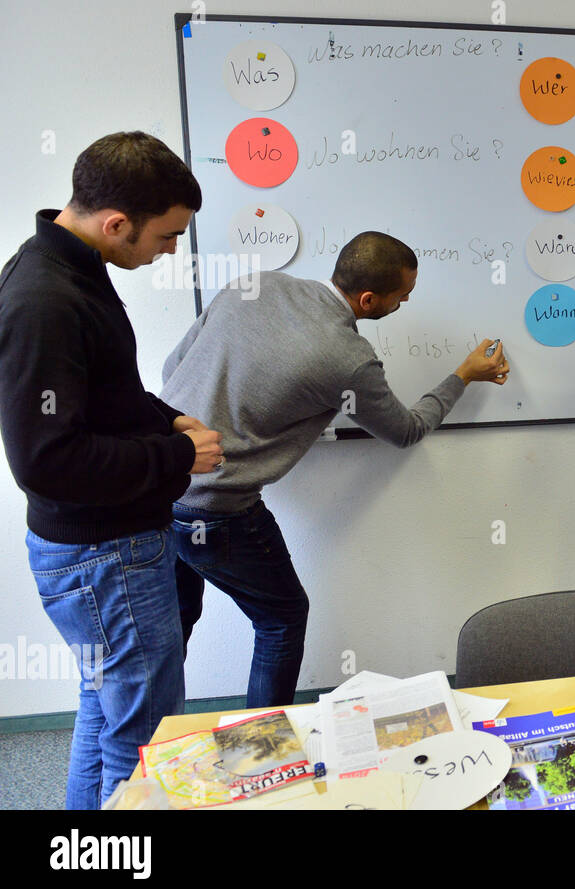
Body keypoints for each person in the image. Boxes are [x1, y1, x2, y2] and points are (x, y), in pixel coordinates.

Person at [160, 231, 509, 708]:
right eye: (402, 296)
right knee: (282, 619)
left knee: (171, 625)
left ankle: (149, 735)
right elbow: (405, 430)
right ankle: (266, 753)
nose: (405, 302)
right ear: (368, 299)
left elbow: (172, 368)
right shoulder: (347, 358)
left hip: (157, 486)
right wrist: (463, 375)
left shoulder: (256, 283)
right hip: (217, 507)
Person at [0, 132, 223, 809]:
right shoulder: (44, 299)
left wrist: (167, 419)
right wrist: (179, 455)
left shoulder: (73, 267)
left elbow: (103, 390)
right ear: (116, 223)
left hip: (105, 552)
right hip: (106, 555)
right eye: (167, 235)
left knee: (107, 710)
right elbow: (49, 459)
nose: (171, 251)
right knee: (143, 735)